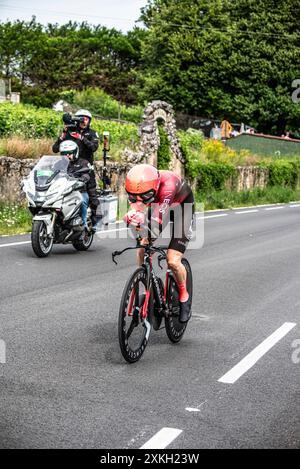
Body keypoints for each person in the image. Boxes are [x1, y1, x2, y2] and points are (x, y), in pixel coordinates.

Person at [124, 164, 195, 323]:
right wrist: (134, 218)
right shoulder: (141, 188)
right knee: (142, 246)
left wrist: (142, 223)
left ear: (155, 188)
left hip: (182, 209)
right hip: (160, 207)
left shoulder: (167, 185)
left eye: (145, 196)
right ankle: (145, 278)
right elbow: (138, 209)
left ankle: (184, 296)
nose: (139, 201)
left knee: (173, 260)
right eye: (134, 196)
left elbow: (157, 220)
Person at [52, 109, 100, 228]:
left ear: (89, 121)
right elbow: (55, 149)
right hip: (69, 167)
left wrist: (81, 137)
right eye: (81, 119)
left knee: (92, 196)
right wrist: (62, 136)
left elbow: (94, 147)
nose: (83, 121)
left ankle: (92, 223)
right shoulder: (70, 132)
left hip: (86, 167)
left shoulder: (92, 133)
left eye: (86, 119)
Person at [59, 140, 91, 230]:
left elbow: (87, 173)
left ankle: (84, 225)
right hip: (62, 191)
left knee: (83, 201)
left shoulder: (83, 162)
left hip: (79, 191)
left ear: (75, 152)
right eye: (64, 153)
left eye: (69, 153)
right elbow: (51, 171)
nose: (67, 155)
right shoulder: (59, 164)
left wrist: (83, 178)